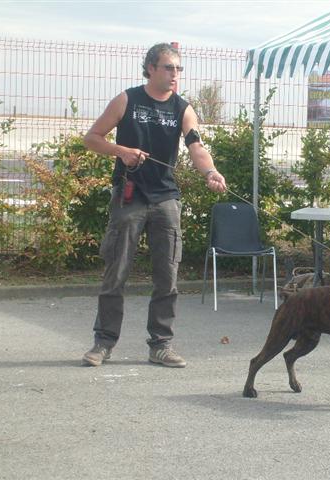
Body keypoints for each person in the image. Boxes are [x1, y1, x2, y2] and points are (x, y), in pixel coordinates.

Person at [81, 43, 226, 368]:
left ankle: (160, 345)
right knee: (115, 274)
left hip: (166, 200)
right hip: (129, 196)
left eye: (178, 69)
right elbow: (92, 138)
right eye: (168, 68)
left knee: (167, 276)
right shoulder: (127, 100)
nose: (174, 74)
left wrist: (211, 171)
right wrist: (121, 151)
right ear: (150, 68)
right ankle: (103, 344)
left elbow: (196, 146)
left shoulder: (183, 108)